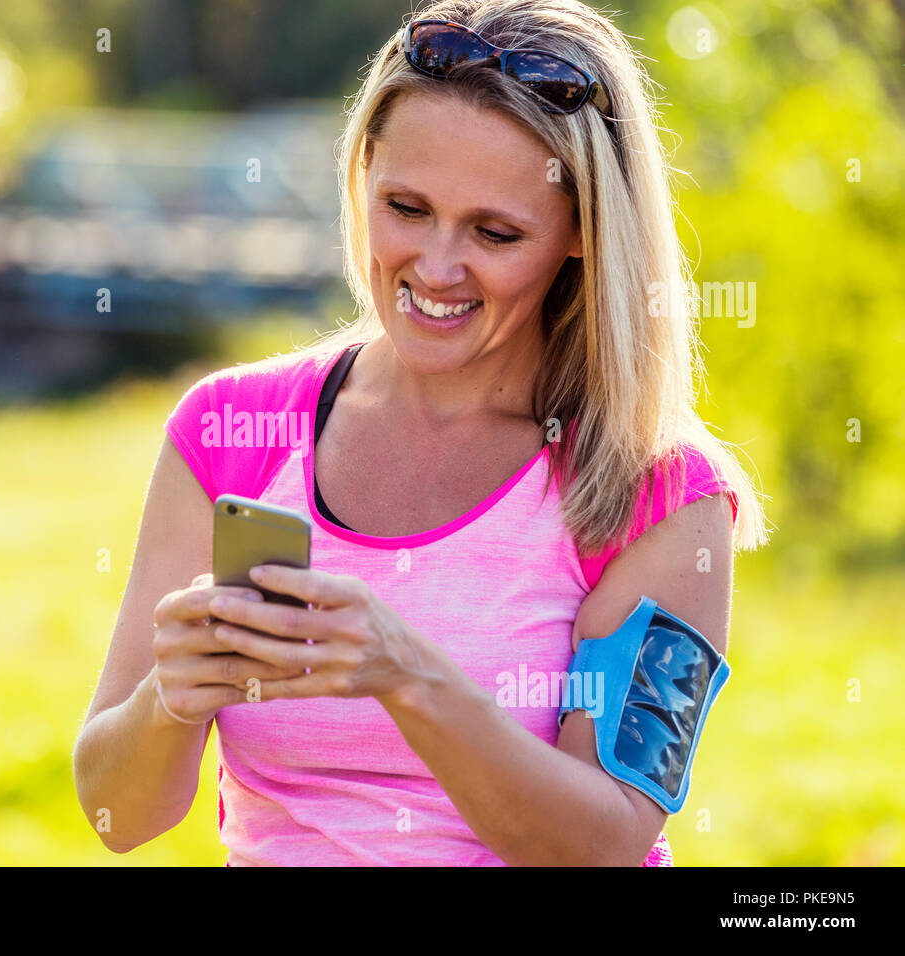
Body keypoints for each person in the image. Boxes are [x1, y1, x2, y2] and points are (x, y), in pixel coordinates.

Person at [73, 0, 770, 866]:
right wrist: (170, 700)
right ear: (362, 175)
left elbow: (605, 843)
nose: (437, 269)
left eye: (495, 232)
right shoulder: (228, 433)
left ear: (585, 234)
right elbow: (115, 817)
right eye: (406, 206)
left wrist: (410, 673)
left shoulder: (657, 493)